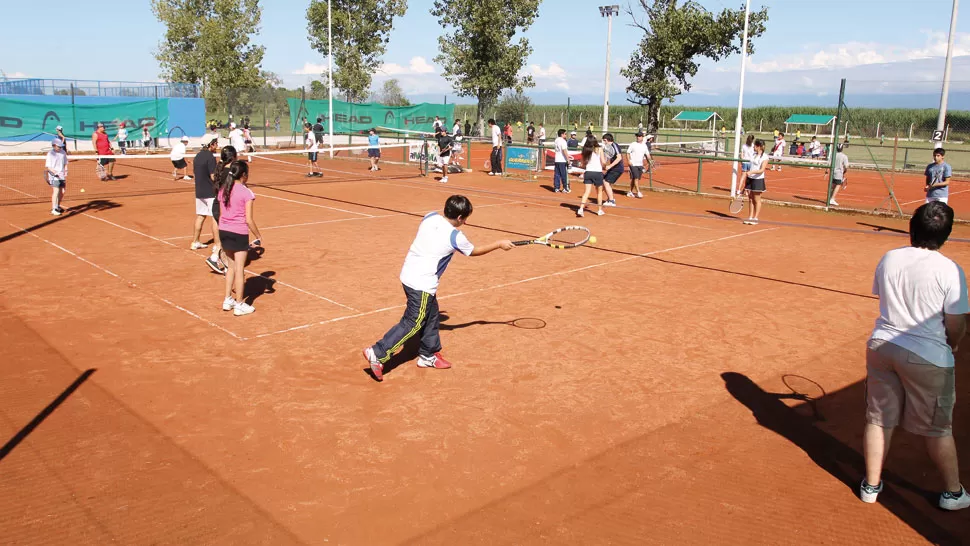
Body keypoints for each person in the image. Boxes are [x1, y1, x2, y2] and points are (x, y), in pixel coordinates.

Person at [861, 201, 970, 511]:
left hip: (882, 347)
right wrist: (954, 344)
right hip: (928, 356)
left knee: (878, 419)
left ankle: (871, 485)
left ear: (912, 228)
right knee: (938, 428)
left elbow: (883, 295)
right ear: (946, 235)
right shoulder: (950, 270)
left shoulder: (890, 258)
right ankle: (953, 492)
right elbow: (956, 322)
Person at [361, 195, 515, 381]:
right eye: (465, 218)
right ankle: (378, 352)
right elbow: (473, 252)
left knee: (432, 314)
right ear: (460, 218)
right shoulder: (456, 236)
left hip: (408, 274)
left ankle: (428, 354)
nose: (465, 221)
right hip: (422, 283)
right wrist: (499, 244)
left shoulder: (430, 216)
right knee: (413, 321)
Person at [217, 160, 262, 316]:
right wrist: (258, 236)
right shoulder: (246, 193)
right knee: (239, 269)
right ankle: (239, 304)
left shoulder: (223, 190)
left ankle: (227, 299)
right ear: (244, 175)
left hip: (223, 230)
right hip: (238, 232)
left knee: (230, 266)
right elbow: (249, 220)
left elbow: (222, 214)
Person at [191, 137, 225, 273]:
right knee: (215, 218)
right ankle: (217, 245)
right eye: (216, 143)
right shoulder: (210, 157)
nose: (217, 145)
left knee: (200, 216)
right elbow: (212, 176)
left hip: (199, 191)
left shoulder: (197, 156)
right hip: (210, 192)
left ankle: (195, 241)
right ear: (211, 144)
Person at [576, 135, 606, 218]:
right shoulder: (599, 149)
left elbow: (583, 163)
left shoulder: (585, 150)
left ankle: (581, 209)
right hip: (597, 172)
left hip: (588, 172)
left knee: (586, 192)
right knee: (599, 192)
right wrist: (605, 165)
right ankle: (599, 210)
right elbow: (603, 162)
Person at [742, 139, 768, 225]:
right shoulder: (753, 155)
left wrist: (752, 172)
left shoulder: (765, 157)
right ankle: (750, 217)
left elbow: (761, 170)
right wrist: (748, 176)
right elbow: (751, 166)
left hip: (758, 180)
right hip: (750, 179)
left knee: (757, 199)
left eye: (755, 146)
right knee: (750, 199)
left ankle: (755, 218)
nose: (753, 147)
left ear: (759, 147)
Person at [44, 138, 68, 215]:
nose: (60, 148)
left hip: (62, 175)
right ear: (54, 146)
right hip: (54, 175)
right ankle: (54, 209)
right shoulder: (50, 154)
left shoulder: (63, 152)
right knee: (56, 191)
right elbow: (48, 167)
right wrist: (55, 172)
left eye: (61, 146)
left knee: (63, 191)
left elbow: (65, 163)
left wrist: (65, 171)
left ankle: (57, 206)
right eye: (59, 146)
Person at [626, 132, 651, 199]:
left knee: (635, 178)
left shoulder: (644, 146)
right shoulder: (633, 144)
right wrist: (628, 161)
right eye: (637, 136)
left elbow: (647, 155)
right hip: (633, 164)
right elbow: (628, 153)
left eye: (639, 136)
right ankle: (638, 192)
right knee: (636, 178)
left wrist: (650, 161)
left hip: (640, 165)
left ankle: (630, 192)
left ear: (642, 137)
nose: (638, 137)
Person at [600, 133, 623, 206]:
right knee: (605, 182)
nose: (604, 142)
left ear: (607, 140)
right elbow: (607, 157)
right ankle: (610, 198)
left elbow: (619, 158)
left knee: (606, 182)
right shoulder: (608, 147)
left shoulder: (614, 145)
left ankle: (611, 201)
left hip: (617, 168)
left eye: (604, 140)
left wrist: (609, 166)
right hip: (613, 168)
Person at [552, 128, 571, 193]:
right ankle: (565, 188)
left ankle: (556, 188)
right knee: (564, 175)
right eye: (565, 134)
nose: (566, 135)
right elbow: (564, 150)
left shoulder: (556, 140)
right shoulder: (563, 141)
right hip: (562, 160)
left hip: (557, 159)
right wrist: (568, 159)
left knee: (557, 174)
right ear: (562, 134)